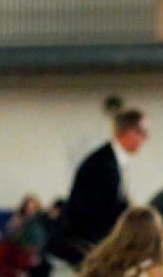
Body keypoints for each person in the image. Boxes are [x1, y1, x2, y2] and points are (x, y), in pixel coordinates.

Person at [46, 109, 149, 268]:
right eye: (143, 133)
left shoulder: (111, 161)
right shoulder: (102, 164)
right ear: (129, 132)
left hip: (92, 244)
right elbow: (97, 212)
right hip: (86, 246)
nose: (146, 139)